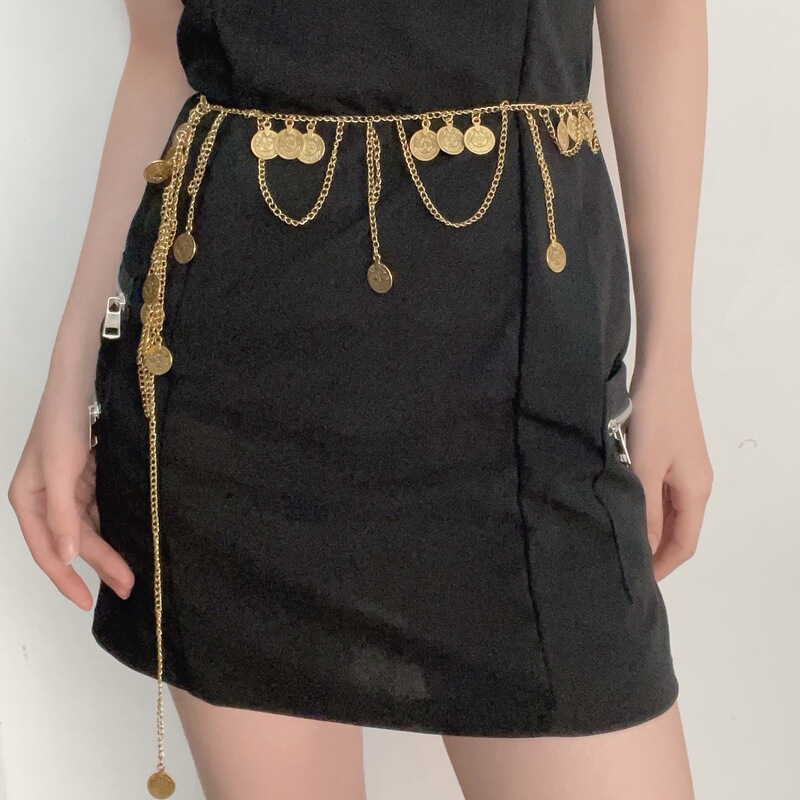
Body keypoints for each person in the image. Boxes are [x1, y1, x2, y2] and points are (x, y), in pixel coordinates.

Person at [7, 0, 712, 797]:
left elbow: (657, 13)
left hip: (529, 389)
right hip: (225, 401)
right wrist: (72, 379)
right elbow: (160, 54)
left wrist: (671, 368)